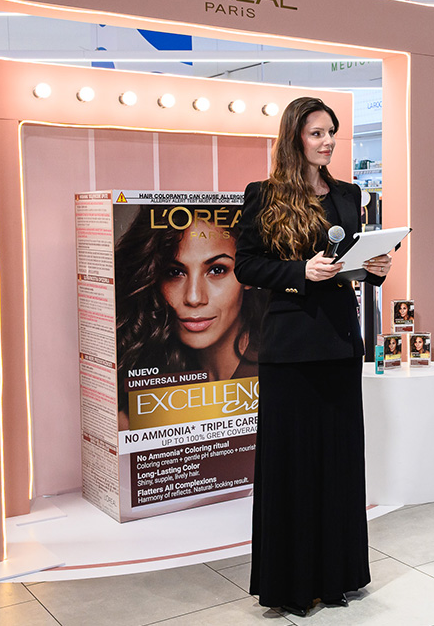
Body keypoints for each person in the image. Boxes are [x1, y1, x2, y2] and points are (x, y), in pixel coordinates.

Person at [234, 96, 392, 617]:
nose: (327, 142)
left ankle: (338, 575)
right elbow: (247, 266)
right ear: (294, 138)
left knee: (338, 461)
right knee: (293, 464)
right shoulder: (263, 195)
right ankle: (293, 584)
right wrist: (299, 272)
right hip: (291, 347)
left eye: (331, 133)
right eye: (316, 133)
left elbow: (353, 263)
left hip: (339, 344)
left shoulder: (348, 194)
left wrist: (375, 269)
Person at [115, 208, 266, 427]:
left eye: (217, 270)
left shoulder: (277, 375)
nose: (194, 298)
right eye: (175, 272)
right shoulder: (147, 389)